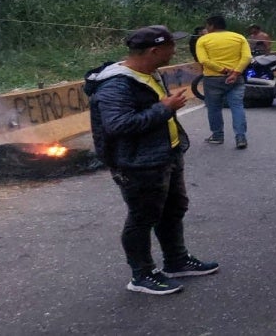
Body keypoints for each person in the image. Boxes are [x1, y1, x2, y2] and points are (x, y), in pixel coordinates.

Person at [85, 25, 219, 296]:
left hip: (165, 154)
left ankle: (176, 261)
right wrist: (164, 109)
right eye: (172, 46)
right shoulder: (117, 84)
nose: (176, 50)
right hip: (137, 163)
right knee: (142, 217)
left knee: (173, 209)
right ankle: (142, 274)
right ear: (155, 50)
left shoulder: (149, 72)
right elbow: (118, 125)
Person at [196, 15, 252, 149]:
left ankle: (217, 136)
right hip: (236, 79)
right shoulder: (239, 38)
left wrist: (222, 70)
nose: (206, 28)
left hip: (212, 79)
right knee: (237, 107)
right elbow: (247, 57)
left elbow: (204, 60)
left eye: (207, 26)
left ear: (211, 26)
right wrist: (235, 72)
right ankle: (240, 137)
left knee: (214, 108)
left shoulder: (203, 40)